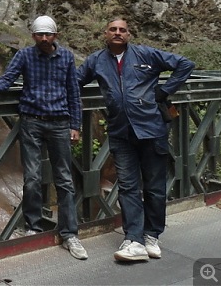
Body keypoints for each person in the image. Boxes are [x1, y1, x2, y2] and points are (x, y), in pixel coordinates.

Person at [0, 16, 87, 260]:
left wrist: (75, 125)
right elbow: (7, 80)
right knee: (32, 177)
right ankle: (34, 227)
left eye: (48, 34)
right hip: (32, 122)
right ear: (33, 36)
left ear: (55, 36)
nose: (44, 38)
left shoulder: (67, 58)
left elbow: (73, 91)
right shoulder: (25, 56)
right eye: (39, 34)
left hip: (60, 123)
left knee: (64, 179)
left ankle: (70, 234)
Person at [77, 18, 194, 262]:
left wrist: (164, 91)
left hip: (152, 129)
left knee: (154, 186)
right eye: (113, 30)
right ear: (105, 33)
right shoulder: (96, 60)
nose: (118, 33)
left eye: (122, 30)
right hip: (121, 132)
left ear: (129, 34)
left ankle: (152, 235)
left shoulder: (146, 54)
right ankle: (134, 239)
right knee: (128, 186)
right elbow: (73, 82)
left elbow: (185, 64)